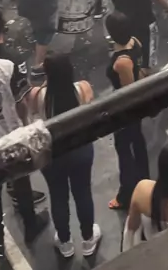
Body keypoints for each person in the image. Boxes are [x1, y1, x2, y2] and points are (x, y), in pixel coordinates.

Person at [0, 28, 49, 255]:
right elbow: (21, 101)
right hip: (10, 134)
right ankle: (30, 225)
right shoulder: (6, 66)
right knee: (20, 180)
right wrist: (24, 123)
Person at [29, 53, 101, 258]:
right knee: (83, 191)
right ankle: (88, 239)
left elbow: (31, 118)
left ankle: (65, 242)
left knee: (58, 195)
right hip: (80, 148)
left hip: (52, 153)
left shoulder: (36, 95)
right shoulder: (83, 88)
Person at [105, 11, 150, 211]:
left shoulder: (122, 61)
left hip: (125, 109)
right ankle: (144, 180)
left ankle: (126, 194)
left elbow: (128, 90)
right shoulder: (135, 42)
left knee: (124, 148)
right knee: (138, 142)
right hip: (134, 106)